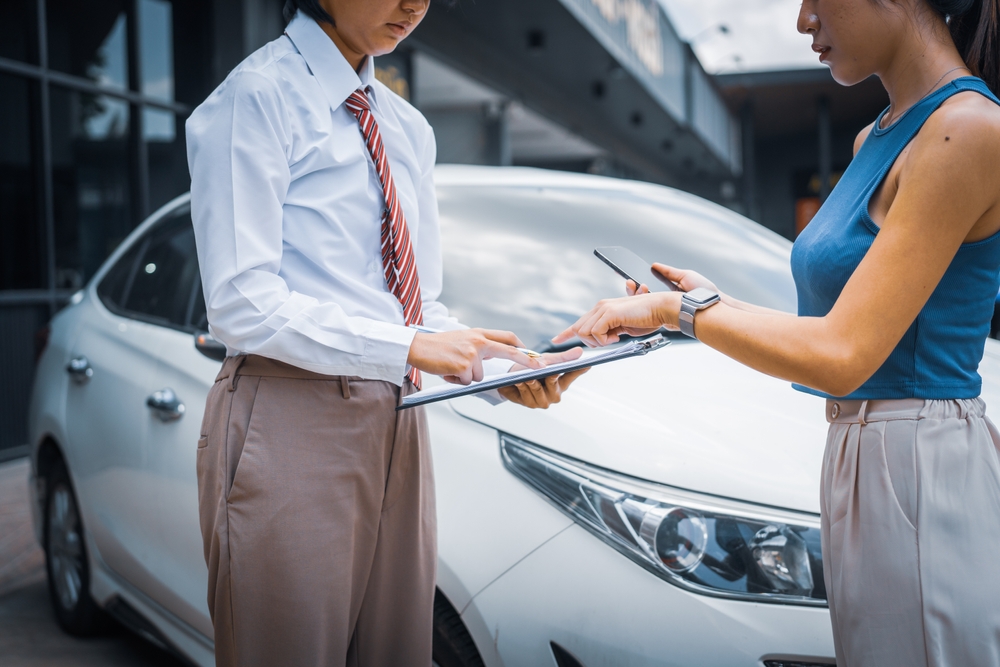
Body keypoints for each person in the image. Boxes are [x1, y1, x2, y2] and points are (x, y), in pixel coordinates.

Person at [554, 0, 1000, 664]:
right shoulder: (883, 133)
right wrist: (697, 304)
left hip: (917, 463)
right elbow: (834, 330)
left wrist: (678, 314)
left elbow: (843, 352)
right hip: (872, 452)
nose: (802, 21)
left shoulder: (965, 130)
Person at [186, 0, 586, 665]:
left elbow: (417, 305)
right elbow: (240, 303)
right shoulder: (254, 99)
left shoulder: (406, 127)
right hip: (289, 417)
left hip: (399, 419)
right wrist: (405, 346)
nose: (412, 6)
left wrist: (500, 372)